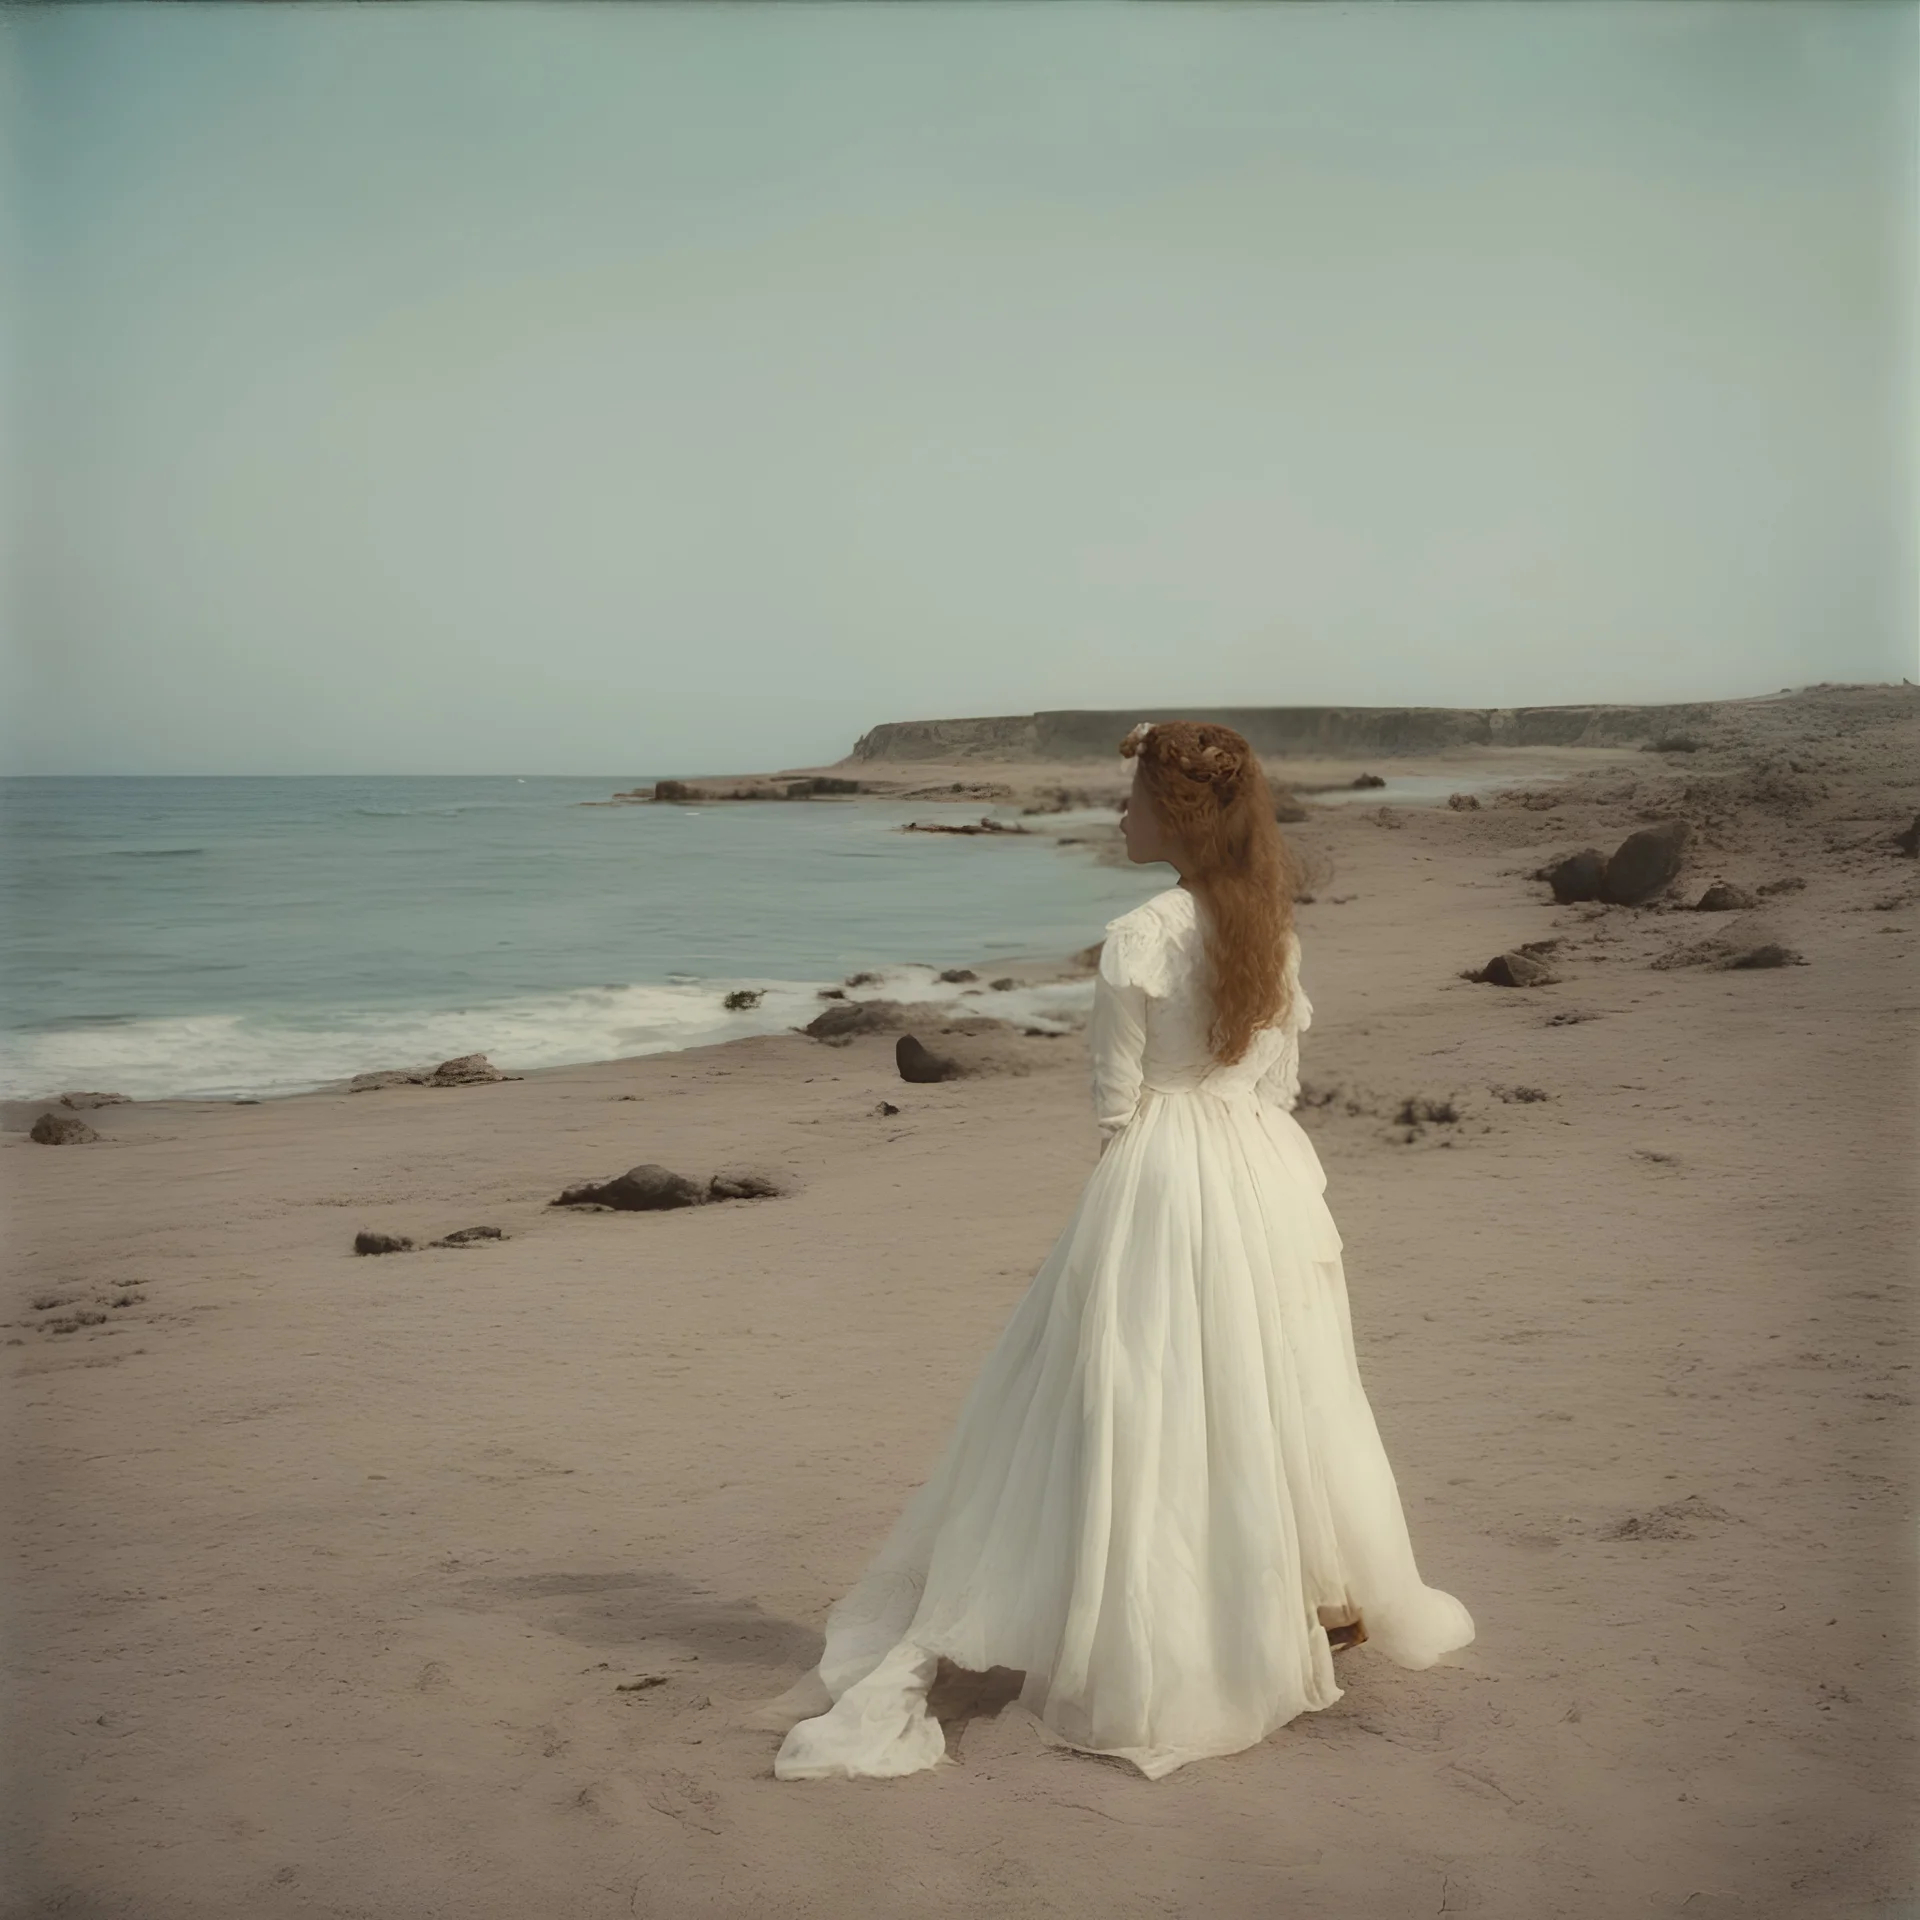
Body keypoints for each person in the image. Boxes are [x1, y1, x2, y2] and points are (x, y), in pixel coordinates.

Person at [754, 720, 1474, 1781]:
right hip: (1265, 1173)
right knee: (1272, 1386)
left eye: (1132, 800)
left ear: (1174, 816)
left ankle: (1152, 1636)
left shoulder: (1140, 934)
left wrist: (1122, 1208)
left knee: (1134, 1400)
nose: (1119, 814)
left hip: (1164, 1172)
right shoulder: (1268, 929)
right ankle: (1303, 1602)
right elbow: (1276, 1085)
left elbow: (1116, 1101)